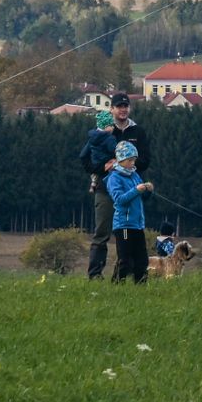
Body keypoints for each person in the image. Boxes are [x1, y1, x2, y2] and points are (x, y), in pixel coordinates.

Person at [77, 109, 120, 280]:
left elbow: (83, 156)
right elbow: (119, 153)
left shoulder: (93, 138)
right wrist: (109, 164)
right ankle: (119, 272)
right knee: (116, 232)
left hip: (100, 182)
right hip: (110, 186)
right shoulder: (110, 139)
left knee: (102, 232)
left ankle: (95, 274)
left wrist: (96, 169)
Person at [106, 141, 154, 284]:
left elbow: (142, 198)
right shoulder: (114, 178)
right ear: (121, 159)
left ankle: (141, 286)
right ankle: (117, 285)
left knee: (142, 259)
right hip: (124, 225)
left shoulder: (135, 175)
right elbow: (119, 199)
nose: (133, 163)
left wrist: (148, 191)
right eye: (130, 160)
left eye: (134, 160)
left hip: (137, 224)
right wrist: (136, 190)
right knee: (125, 259)